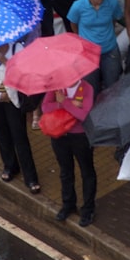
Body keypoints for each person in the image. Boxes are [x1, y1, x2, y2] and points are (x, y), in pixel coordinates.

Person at [0, 43, 40, 194]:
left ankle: (30, 177)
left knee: (20, 137)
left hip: (14, 100)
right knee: (2, 133)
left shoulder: (18, 50)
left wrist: (5, 61)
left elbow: (24, 75)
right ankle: (10, 166)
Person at [43, 78, 96, 226]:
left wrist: (65, 102)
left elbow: (83, 115)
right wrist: (67, 104)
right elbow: (45, 107)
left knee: (87, 172)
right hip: (60, 135)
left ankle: (88, 209)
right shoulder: (56, 85)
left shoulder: (87, 88)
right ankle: (68, 204)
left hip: (80, 137)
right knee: (66, 171)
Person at [68, 0, 123, 92]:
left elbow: (115, 19)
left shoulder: (112, 2)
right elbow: (73, 23)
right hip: (88, 53)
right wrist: (81, 39)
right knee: (90, 89)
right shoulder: (78, 6)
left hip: (109, 50)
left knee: (113, 87)